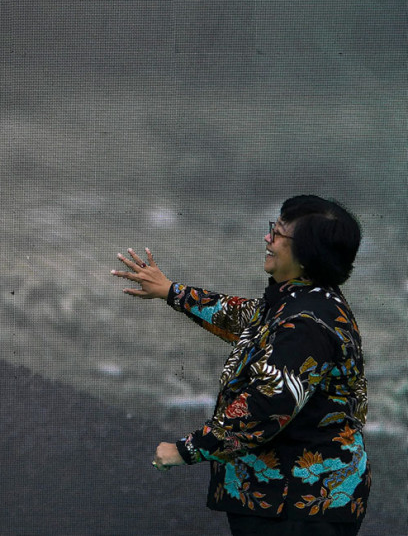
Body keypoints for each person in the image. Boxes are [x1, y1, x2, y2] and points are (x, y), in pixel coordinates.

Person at [111, 195, 369, 536]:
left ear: (307, 253)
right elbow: (247, 318)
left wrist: (185, 450)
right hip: (292, 499)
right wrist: (172, 291)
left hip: (296, 507)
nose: (267, 239)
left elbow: (265, 407)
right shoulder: (309, 299)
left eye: (278, 234)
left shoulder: (306, 324)